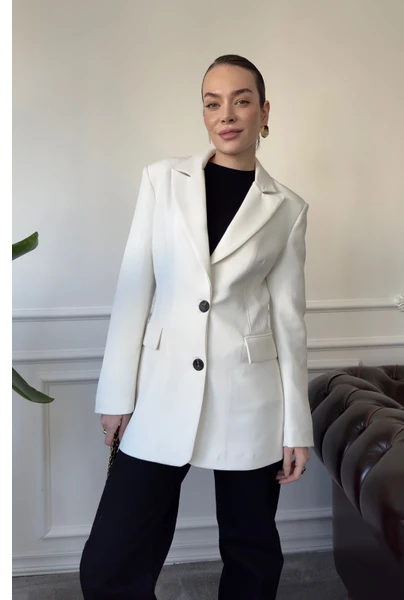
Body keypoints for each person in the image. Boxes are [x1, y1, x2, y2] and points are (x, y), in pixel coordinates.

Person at [79, 54, 314, 600]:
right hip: (161, 392)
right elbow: (134, 288)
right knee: (111, 560)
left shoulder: (287, 208)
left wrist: (296, 427)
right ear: (204, 112)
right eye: (213, 103)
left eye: (241, 100)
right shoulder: (163, 181)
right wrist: (116, 394)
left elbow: (289, 320)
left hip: (249, 398)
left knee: (252, 556)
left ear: (264, 112)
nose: (226, 114)